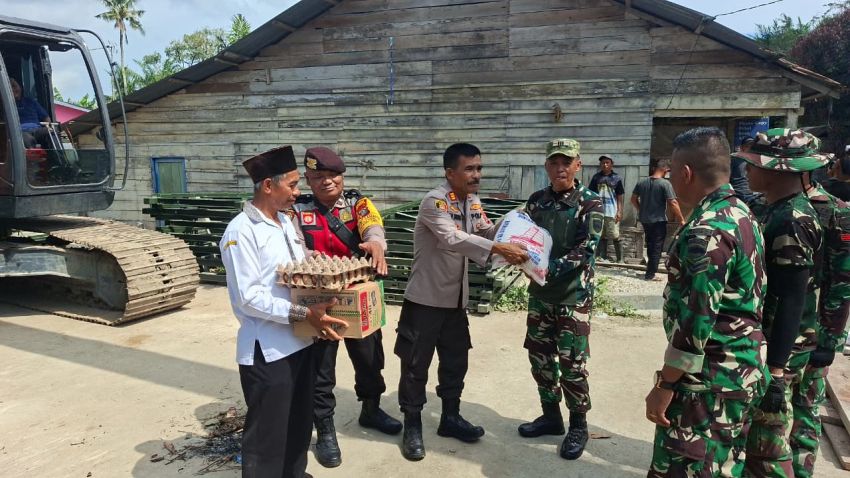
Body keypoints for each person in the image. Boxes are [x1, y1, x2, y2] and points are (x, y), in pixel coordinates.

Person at [645, 127, 767, 477]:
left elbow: (697, 320)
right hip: (740, 371)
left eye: (671, 173)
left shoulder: (706, 231)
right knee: (723, 465)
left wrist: (665, 384)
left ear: (685, 174)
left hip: (707, 382)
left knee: (685, 467)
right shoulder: (741, 213)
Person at [219, 145, 348, 478]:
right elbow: (249, 298)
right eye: (291, 184)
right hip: (269, 351)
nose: (298, 191)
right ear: (267, 186)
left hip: (302, 341)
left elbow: (299, 274)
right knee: (268, 439)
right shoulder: (241, 231)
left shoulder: (285, 224)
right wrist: (306, 315)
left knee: (298, 425)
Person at [394, 143, 528, 461]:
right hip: (425, 301)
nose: (476, 175)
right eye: (469, 169)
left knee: (456, 362)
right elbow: (453, 238)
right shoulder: (435, 202)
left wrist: (510, 226)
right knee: (415, 367)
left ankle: (450, 419)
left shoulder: (472, 201)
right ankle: (412, 424)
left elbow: (484, 230)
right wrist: (498, 249)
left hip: (455, 301)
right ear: (450, 172)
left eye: (479, 168)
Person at [289, 146, 401, 468]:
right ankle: (324, 429)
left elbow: (373, 227)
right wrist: (321, 264)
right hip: (318, 299)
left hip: (357, 297)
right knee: (320, 369)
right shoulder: (296, 210)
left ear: (342, 176)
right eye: (318, 176)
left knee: (369, 358)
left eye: (333, 175)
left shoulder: (358, 203)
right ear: (308, 179)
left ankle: (371, 408)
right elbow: (294, 246)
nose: (327, 182)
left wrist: (376, 244)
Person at [736, 129, 827, 477]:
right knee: (756, 441)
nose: (747, 171)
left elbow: (792, 297)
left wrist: (776, 370)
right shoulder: (771, 208)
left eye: (754, 164)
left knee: (768, 444)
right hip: (768, 342)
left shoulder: (793, 219)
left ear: (779, 169)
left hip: (781, 348)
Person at [517, 138, 603, 461]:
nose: (561, 168)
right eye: (555, 162)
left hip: (572, 298)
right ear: (547, 167)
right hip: (540, 295)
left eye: (567, 161)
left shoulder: (590, 202)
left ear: (578, 165)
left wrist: (548, 269)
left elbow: (587, 250)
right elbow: (522, 237)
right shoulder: (536, 202)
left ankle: (578, 424)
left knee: (572, 366)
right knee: (539, 358)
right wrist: (521, 261)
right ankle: (550, 416)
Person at [788, 164, 850, 477]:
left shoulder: (837, 213)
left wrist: (831, 339)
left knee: (805, 409)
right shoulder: (763, 206)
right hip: (773, 330)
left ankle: (800, 471)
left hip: (813, 331)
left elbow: (842, 279)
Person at [631, 159, 685, 281]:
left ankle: (649, 271)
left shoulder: (642, 182)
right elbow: (673, 202)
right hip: (658, 220)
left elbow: (633, 199)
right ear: (665, 170)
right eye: (668, 171)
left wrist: (641, 210)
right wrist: (681, 219)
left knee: (650, 245)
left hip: (645, 220)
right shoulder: (665, 184)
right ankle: (650, 274)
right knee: (656, 247)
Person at [588, 154, 625, 262]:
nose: (605, 165)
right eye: (603, 163)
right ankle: (602, 257)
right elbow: (591, 194)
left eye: (607, 162)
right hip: (598, 211)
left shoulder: (616, 178)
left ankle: (620, 259)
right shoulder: (596, 178)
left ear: (611, 164)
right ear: (600, 164)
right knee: (601, 235)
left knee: (614, 234)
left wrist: (619, 211)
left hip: (612, 211)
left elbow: (620, 196)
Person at [9, 78, 51, 148]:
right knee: (25, 138)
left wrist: (49, 127)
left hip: (37, 130)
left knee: (53, 132)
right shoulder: (7, 106)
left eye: (14, 86)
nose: (13, 89)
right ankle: (33, 155)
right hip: (20, 132)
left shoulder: (31, 102)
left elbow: (46, 117)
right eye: (10, 87)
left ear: (20, 87)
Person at [730, 136, 759, 203]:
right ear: (741, 148)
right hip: (738, 194)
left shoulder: (756, 162)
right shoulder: (734, 159)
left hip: (752, 195)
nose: (749, 148)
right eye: (747, 146)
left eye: (752, 147)